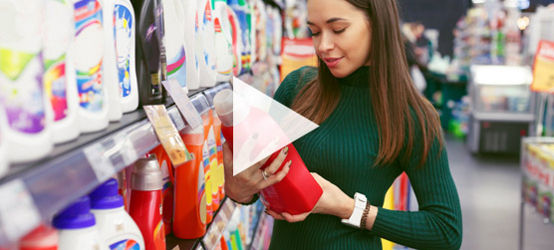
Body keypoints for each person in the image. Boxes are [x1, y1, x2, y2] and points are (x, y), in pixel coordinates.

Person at [222, 0, 462, 249]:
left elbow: (445, 230)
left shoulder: (412, 116)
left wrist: (348, 208)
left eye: (338, 30)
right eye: (314, 31)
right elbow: (264, 184)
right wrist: (240, 189)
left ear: (377, 25)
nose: (323, 46)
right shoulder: (296, 88)